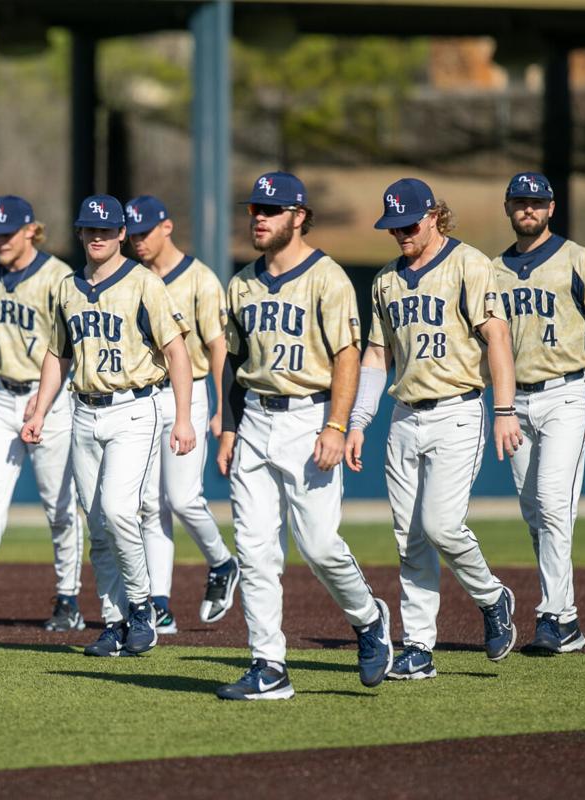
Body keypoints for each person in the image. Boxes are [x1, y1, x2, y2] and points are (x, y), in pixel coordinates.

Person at [213, 173, 392, 701]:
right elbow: (233, 360)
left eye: (271, 210)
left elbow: (347, 358)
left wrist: (338, 425)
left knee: (318, 545)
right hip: (254, 422)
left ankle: (367, 618)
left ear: (298, 216)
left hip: (308, 418)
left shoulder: (327, 278)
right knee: (253, 549)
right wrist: (227, 426)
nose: (259, 218)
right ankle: (269, 665)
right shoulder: (242, 281)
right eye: (254, 209)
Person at [345, 178, 520, 680]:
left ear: (433, 216)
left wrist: (505, 411)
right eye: (392, 226)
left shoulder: (469, 264)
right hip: (405, 416)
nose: (400, 232)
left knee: (441, 526)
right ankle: (418, 647)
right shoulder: (385, 281)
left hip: (457, 408)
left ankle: (491, 597)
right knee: (409, 538)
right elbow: (377, 355)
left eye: (408, 223)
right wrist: (359, 420)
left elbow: (497, 337)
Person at [21, 194, 195, 658]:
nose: (97, 237)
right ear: (79, 233)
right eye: (89, 229)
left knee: (119, 510)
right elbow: (58, 354)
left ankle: (142, 607)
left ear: (121, 233)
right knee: (97, 525)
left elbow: (178, 351)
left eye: (106, 230)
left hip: (134, 407)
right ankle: (113, 621)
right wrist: (39, 410)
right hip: (83, 409)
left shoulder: (144, 283)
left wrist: (183, 417)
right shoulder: (66, 287)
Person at [492, 172, 585, 655]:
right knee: (536, 513)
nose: (528, 209)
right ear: (507, 207)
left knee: (552, 501)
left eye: (536, 201)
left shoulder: (577, 259)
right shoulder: (493, 270)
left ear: (551, 208)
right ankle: (567, 619)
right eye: (520, 201)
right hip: (515, 402)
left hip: (567, 393)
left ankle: (551, 614)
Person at [125, 195, 238, 634]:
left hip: (188, 395)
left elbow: (217, 348)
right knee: (151, 505)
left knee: (183, 497)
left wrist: (220, 409)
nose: (138, 241)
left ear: (166, 228)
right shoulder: (132, 277)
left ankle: (222, 562)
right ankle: (159, 604)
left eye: (145, 232)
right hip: (148, 396)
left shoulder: (200, 279)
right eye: (132, 233)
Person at [0, 195, 85, 631]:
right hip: (0, 396)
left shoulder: (57, 276)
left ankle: (68, 599)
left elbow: (72, 348)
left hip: (50, 398)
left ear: (29, 231)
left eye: (7, 232)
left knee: (60, 506)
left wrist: (42, 406)